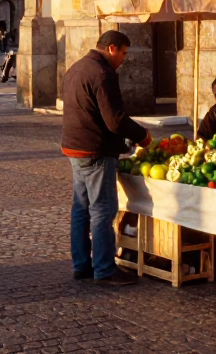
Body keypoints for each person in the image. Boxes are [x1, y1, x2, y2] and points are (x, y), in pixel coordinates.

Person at [61, 30, 150, 286]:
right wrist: (142, 135)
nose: (123, 58)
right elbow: (115, 120)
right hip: (95, 149)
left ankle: (81, 265)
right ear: (112, 48)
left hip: (74, 147)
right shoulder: (102, 74)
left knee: (81, 208)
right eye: (123, 52)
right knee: (102, 209)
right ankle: (104, 269)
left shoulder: (76, 68)